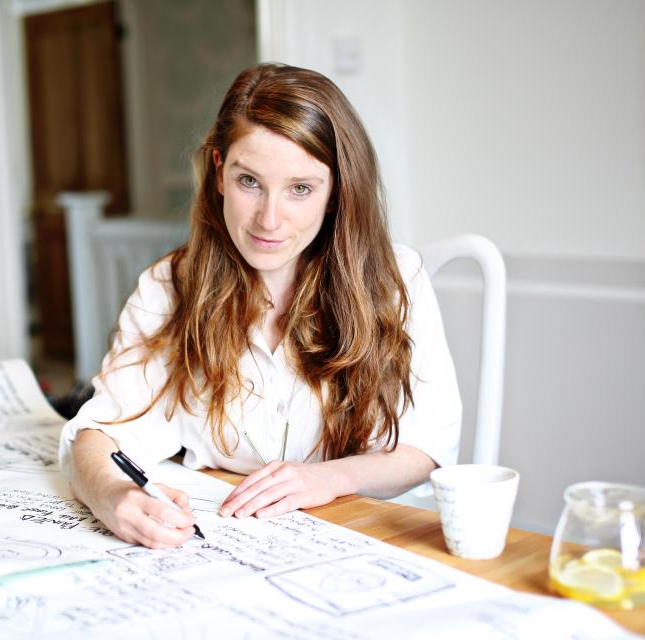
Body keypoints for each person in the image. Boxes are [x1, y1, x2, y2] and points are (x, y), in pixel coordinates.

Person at [58, 62, 461, 549]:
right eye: (250, 181)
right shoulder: (169, 287)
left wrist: (325, 479)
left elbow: (427, 447)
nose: (269, 219)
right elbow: (100, 433)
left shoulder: (398, 280)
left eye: (300, 189)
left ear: (336, 192)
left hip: (365, 531)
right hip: (226, 537)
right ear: (219, 172)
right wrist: (112, 494)